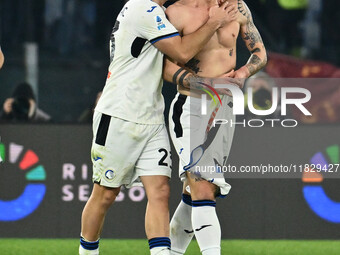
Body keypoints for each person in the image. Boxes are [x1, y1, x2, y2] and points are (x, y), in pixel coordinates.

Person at [79, 0, 239, 254]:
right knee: (105, 194)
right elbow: (182, 53)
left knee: (161, 191)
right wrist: (214, 22)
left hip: (152, 115)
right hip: (120, 114)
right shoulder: (143, 8)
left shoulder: (159, 12)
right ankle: (87, 251)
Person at [165, 0, 267, 254]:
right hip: (191, 105)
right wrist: (209, 84)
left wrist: (243, 73)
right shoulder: (177, 12)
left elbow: (260, 52)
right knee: (202, 187)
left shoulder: (238, 7)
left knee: (195, 190)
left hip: (224, 107)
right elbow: (167, 69)